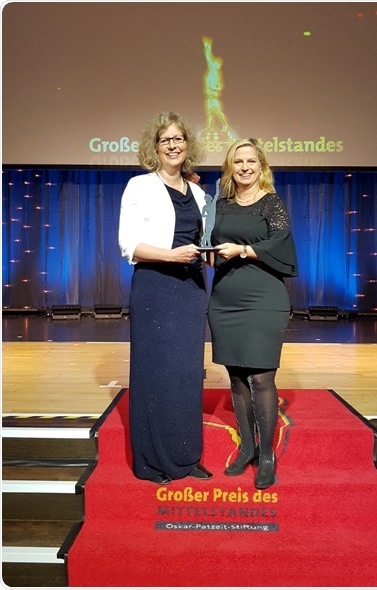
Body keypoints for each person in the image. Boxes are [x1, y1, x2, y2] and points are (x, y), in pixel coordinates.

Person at [118, 111, 213, 485]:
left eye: (179, 139)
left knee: (186, 375)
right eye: (165, 140)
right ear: (154, 147)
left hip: (191, 289)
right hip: (155, 287)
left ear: (188, 145)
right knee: (155, 374)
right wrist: (171, 256)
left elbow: (204, 242)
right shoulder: (140, 186)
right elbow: (129, 245)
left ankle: (185, 457)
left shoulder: (200, 193)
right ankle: (152, 463)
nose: (173, 145)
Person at [208, 138, 298, 490]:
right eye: (238, 161)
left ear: (261, 166)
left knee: (261, 377)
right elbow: (210, 243)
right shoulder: (222, 204)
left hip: (263, 298)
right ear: (230, 167)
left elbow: (281, 243)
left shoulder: (272, 203)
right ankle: (247, 447)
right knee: (236, 377)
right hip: (225, 297)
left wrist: (243, 249)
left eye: (251, 161)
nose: (244, 167)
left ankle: (267, 454)